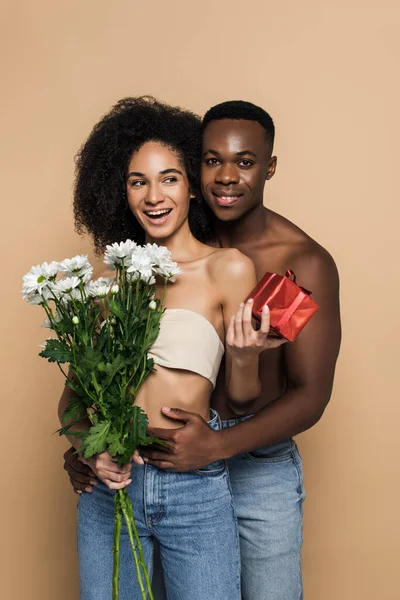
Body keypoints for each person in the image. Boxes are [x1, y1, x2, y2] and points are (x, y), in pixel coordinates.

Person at [65, 100, 341, 599]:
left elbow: (311, 394)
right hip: (160, 462)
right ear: (197, 171)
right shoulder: (152, 254)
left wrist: (218, 444)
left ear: (270, 166)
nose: (227, 177)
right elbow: (87, 389)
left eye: (245, 161)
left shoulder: (300, 261)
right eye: (212, 161)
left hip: (251, 461)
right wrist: (87, 446)